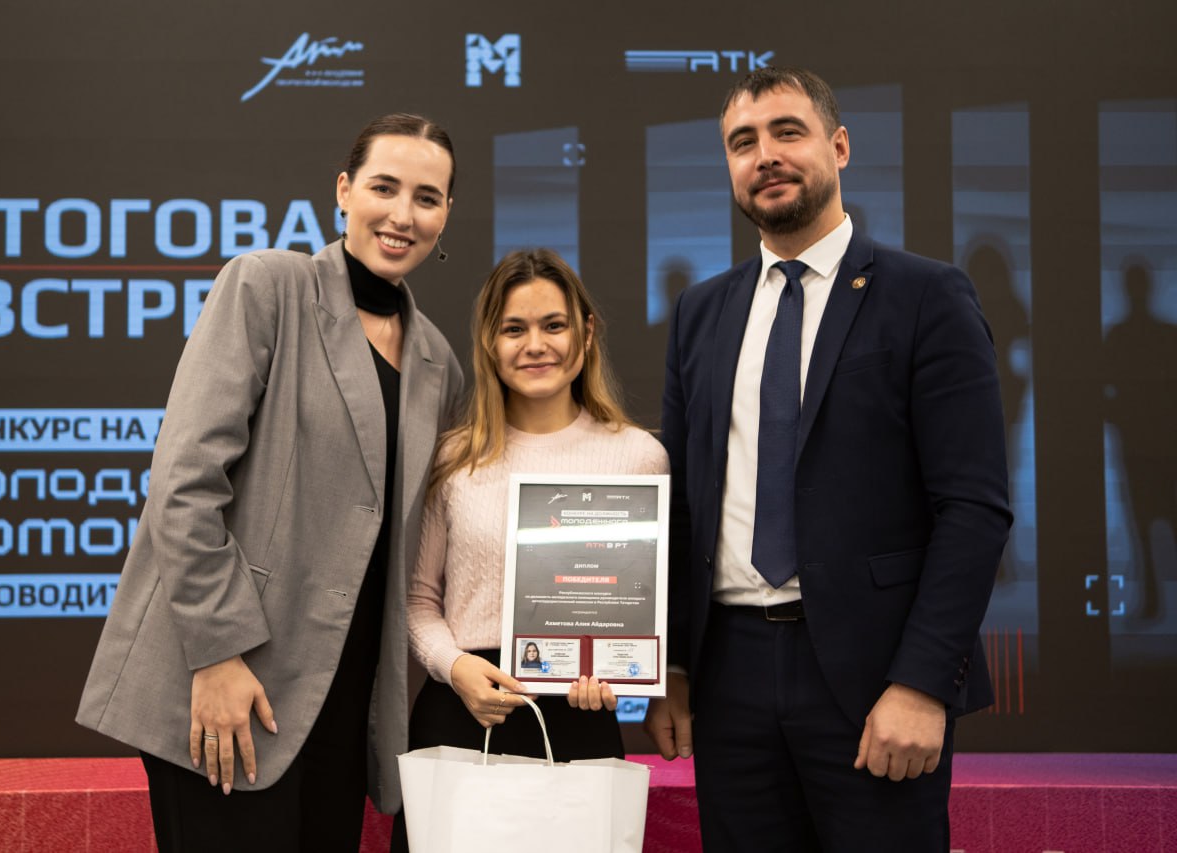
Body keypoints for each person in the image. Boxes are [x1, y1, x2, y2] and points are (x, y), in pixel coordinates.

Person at [644, 67, 1011, 852]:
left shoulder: (927, 296)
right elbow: (683, 509)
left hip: (877, 679)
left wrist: (921, 683)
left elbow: (974, 508)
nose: (765, 156)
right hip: (729, 681)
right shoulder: (700, 314)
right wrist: (671, 667)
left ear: (839, 147)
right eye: (743, 142)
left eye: (788, 132)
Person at [76, 113, 464, 852]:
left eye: (427, 197)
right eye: (384, 188)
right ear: (344, 191)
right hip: (231, 682)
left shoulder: (438, 362)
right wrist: (217, 653)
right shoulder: (268, 286)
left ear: (446, 214)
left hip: (345, 703)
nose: (402, 215)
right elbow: (184, 483)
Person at [390, 248, 668, 852]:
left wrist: (615, 675)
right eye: (514, 329)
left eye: (553, 325)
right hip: (465, 706)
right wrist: (454, 667)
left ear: (586, 334)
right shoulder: (453, 459)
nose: (535, 345)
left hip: (580, 717)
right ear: (489, 343)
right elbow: (416, 600)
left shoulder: (640, 458)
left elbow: (645, 606)